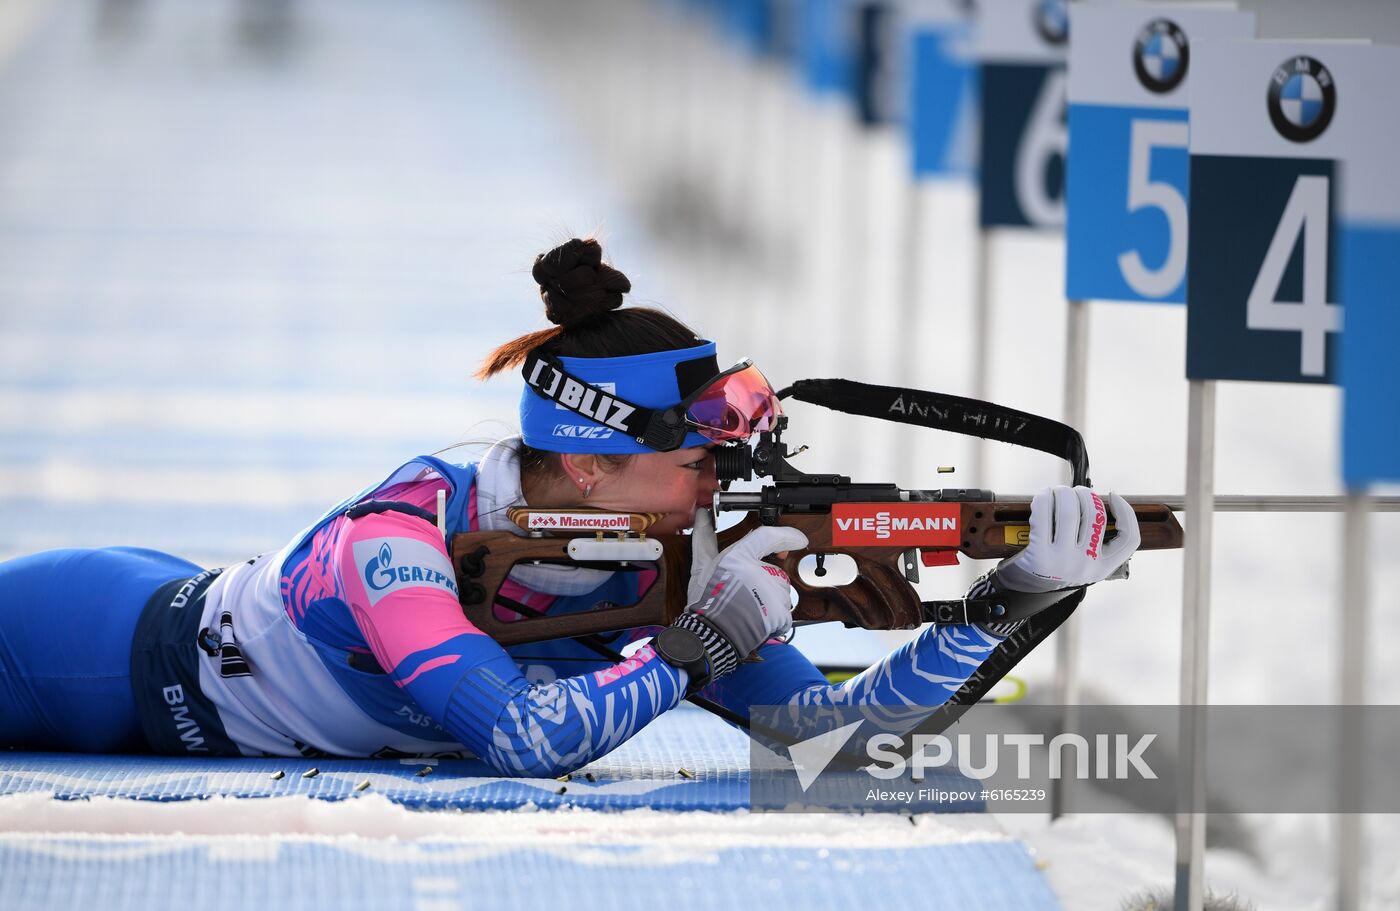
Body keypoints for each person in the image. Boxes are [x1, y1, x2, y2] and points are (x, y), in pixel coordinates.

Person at [0, 238, 1140, 775]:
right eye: (699, 453)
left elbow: (837, 742)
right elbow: (523, 739)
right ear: (588, 465)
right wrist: (704, 643)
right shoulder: (398, 537)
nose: (721, 482)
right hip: (81, 645)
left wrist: (1013, 594)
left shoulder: (664, 560)